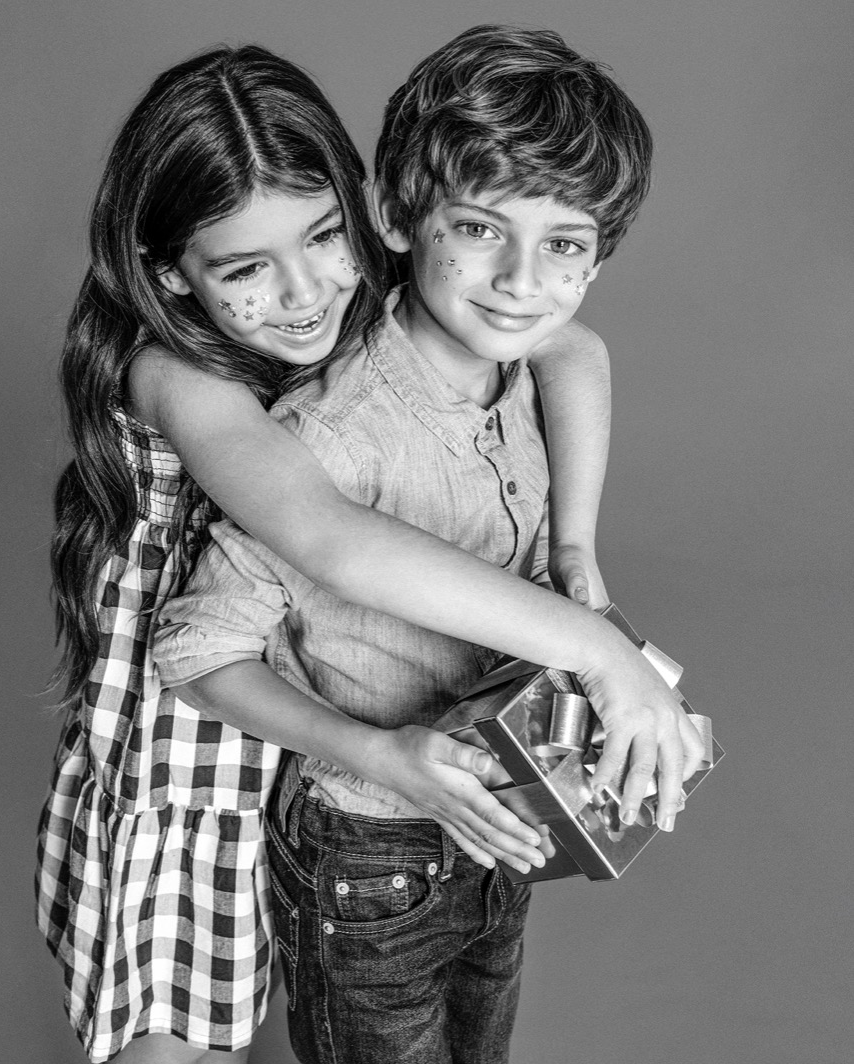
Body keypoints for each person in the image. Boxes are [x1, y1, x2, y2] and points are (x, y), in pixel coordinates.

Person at [153, 26, 705, 1064]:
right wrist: (377, 754)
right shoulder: (333, 434)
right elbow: (196, 650)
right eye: (480, 229)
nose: (521, 279)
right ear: (398, 217)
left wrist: (577, 563)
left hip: (494, 831)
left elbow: (576, 347)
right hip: (367, 855)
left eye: (564, 245)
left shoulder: (524, 375)